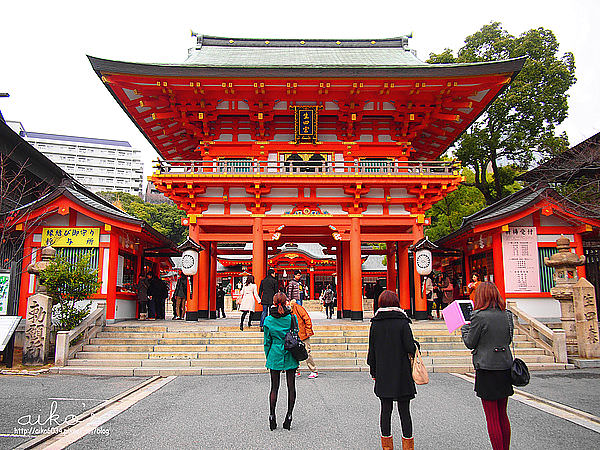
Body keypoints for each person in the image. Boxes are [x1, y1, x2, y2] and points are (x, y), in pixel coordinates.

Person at [461, 281, 514, 450]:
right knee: (502, 413)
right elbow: (509, 338)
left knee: (491, 416)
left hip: (486, 366)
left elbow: (470, 342)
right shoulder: (507, 315)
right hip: (505, 365)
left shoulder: (478, 316)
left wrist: (464, 329)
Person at [367, 290, 417, 450]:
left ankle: (387, 446)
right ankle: (408, 446)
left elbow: (371, 351)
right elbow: (410, 347)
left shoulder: (375, 323)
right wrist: (416, 344)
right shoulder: (403, 322)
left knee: (385, 410)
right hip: (402, 373)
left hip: (384, 372)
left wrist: (374, 372)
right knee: (404, 412)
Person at [263, 292, 299, 431]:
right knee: (291, 387)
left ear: (273, 302)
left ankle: (272, 416)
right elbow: (296, 335)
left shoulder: (268, 320)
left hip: (275, 353)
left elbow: (267, 342)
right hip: (290, 352)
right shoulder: (292, 318)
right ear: (286, 302)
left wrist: (269, 356)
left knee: (274, 387)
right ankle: (289, 416)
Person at [290, 297, 318, 379]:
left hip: (303, 333)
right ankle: (296, 370)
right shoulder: (288, 310)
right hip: (294, 334)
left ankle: (314, 370)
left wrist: (308, 330)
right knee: (294, 353)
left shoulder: (298, 308)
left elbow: (307, 319)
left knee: (307, 353)